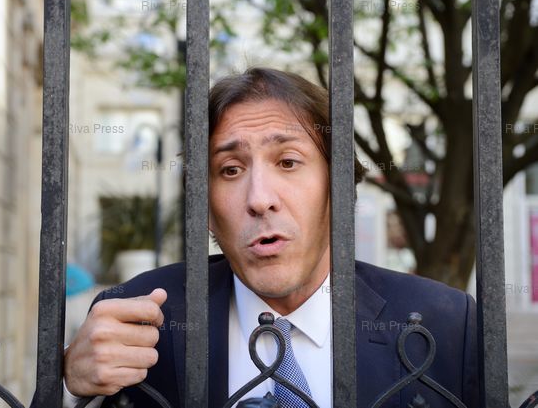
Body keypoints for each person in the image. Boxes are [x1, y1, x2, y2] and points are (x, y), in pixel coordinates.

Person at [62, 67, 478, 408]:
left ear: (339, 188)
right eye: (230, 170)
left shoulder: (445, 323)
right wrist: (69, 388)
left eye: (288, 162)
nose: (260, 199)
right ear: (206, 209)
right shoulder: (138, 320)